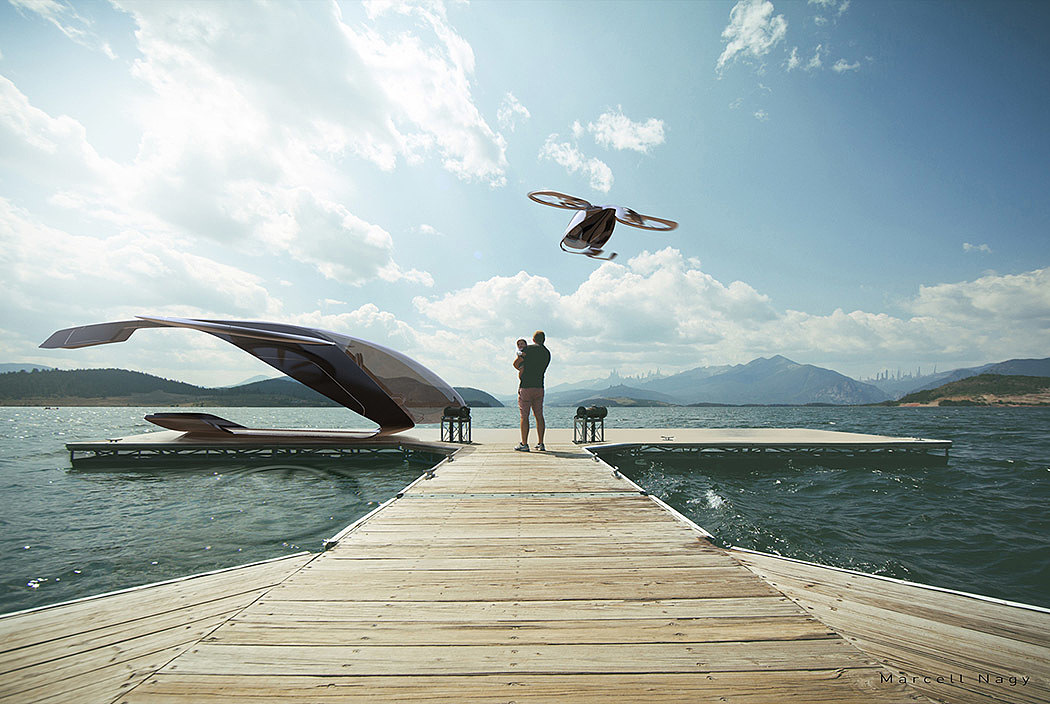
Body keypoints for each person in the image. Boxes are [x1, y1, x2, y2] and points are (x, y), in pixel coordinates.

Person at [513, 330, 551, 452]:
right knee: (539, 415)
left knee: (524, 416)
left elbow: (516, 364)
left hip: (526, 387)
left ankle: (524, 444)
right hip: (539, 386)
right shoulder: (547, 353)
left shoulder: (528, 349)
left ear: (533, 339)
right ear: (543, 340)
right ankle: (541, 443)